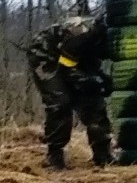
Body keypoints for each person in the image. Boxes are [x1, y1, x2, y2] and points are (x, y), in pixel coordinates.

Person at [25, 12, 114, 169]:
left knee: (94, 102)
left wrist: (102, 80)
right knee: (60, 102)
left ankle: (103, 156)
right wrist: (90, 82)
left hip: (75, 58)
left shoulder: (111, 38)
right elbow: (67, 68)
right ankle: (55, 156)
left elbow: (90, 62)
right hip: (46, 54)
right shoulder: (82, 34)